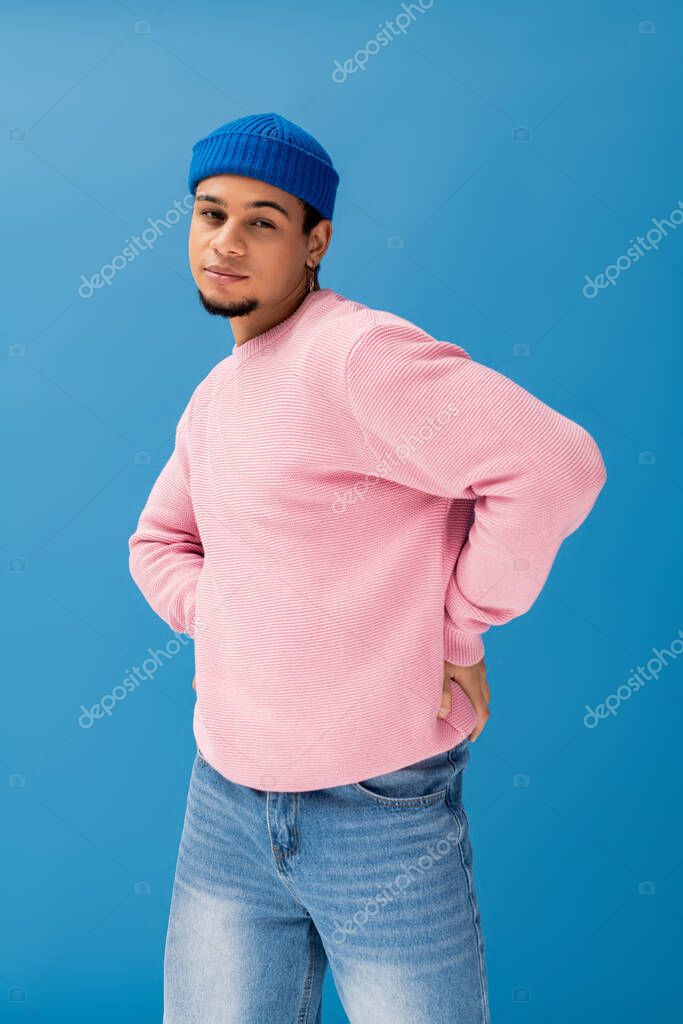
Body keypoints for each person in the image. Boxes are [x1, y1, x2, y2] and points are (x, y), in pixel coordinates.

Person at [128, 112, 607, 1023]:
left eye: (262, 220)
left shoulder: (355, 356)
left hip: (377, 807)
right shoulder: (218, 397)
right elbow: (157, 543)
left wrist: (457, 625)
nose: (225, 241)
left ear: (316, 242)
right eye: (208, 213)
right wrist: (234, 615)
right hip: (225, 804)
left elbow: (555, 466)